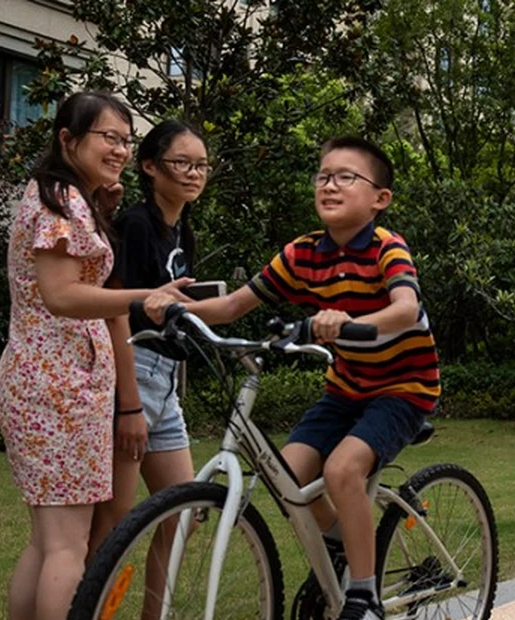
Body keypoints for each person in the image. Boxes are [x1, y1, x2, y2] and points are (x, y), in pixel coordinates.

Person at [142, 136, 437, 620]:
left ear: (379, 199)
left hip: (403, 389)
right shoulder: (303, 254)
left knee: (341, 471)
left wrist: (347, 321)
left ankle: (364, 596)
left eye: (346, 177)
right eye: (323, 176)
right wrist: (174, 306)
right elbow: (233, 306)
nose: (330, 185)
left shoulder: (387, 248)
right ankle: (342, 542)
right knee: (288, 477)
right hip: (345, 389)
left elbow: (405, 309)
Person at [0, 91, 193, 620]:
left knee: (48, 543)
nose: (121, 150)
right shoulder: (61, 200)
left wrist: (100, 210)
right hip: (60, 385)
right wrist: (147, 297)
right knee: (66, 547)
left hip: (49, 380)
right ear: (68, 138)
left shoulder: (62, 196)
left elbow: (71, 273)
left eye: (126, 140)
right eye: (109, 137)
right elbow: (61, 295)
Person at [94, 119, 214, 615]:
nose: (193, 174)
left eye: (201, 165)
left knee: (182, 513)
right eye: (181, 163)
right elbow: (115, 311)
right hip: (134, 369)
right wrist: (127, 404)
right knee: (116, 522)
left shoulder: (182, 228)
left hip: (164, 379)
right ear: (149, 167)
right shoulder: (138, 225)